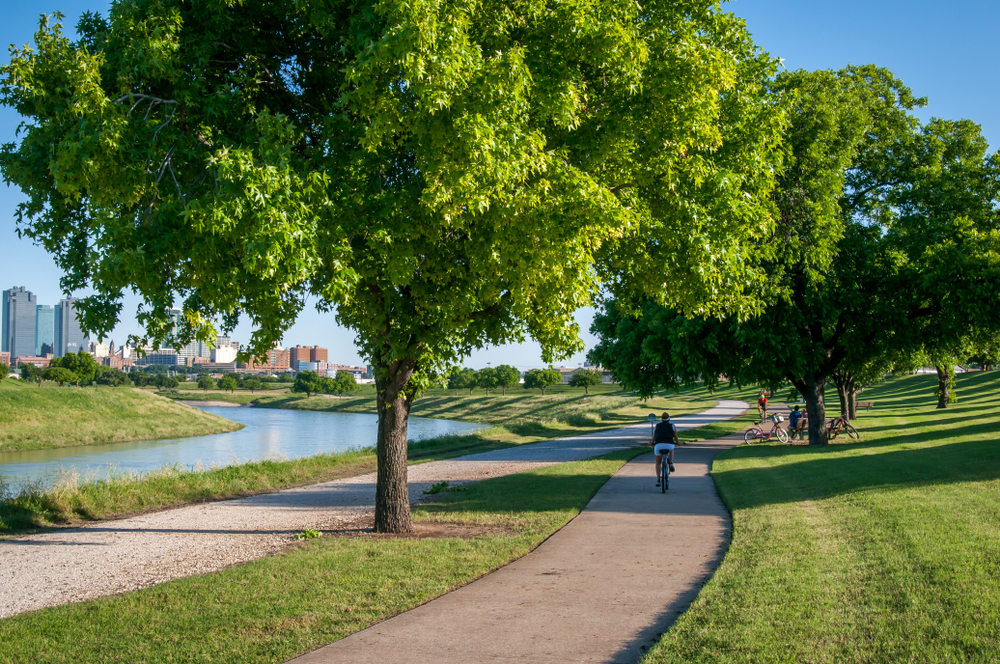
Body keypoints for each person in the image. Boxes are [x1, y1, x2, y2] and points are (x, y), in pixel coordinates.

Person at [652, 412, 679, 487]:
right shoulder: (672, 426)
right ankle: (671, 463)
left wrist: (651, 442)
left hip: (658, 445)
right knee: (672, 449)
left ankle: (658, 480)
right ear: (669, 419)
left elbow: (654, 436)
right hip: (669, 445)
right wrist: (678, 442)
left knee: (658, 463)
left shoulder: (657, 426)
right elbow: (675, 436)